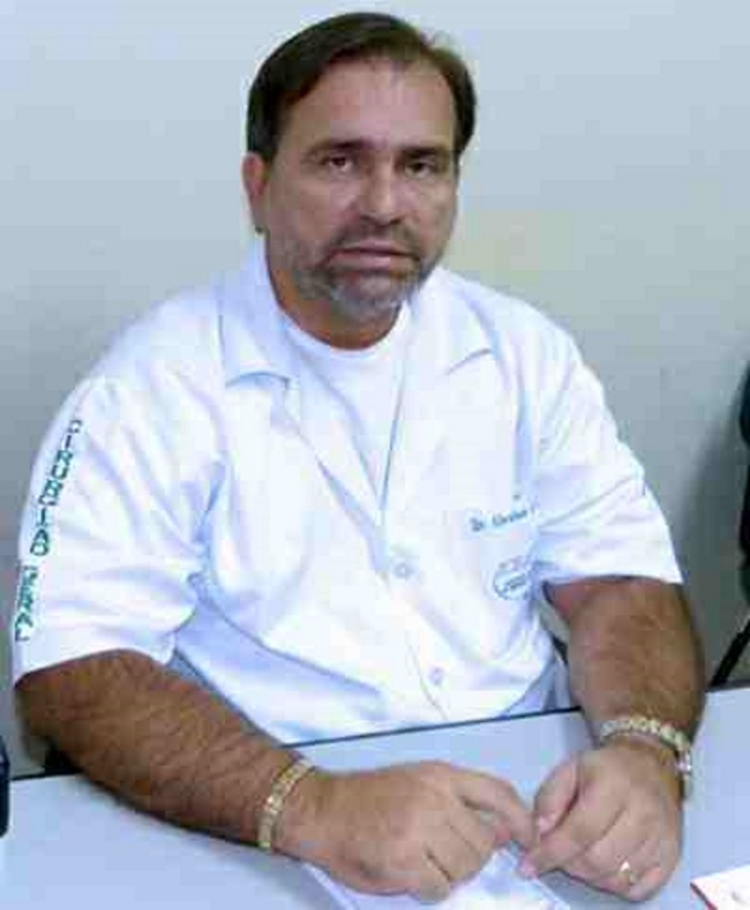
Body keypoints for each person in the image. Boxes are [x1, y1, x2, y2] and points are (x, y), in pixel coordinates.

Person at [13, 11, 704, 904]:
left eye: (422, 165)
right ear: (258, 187)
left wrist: (647, 748)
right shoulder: (148, 390)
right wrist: (313, 806)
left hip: (534, 805)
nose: (384, 203)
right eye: (340, 161)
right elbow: (73, 667)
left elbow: (619, 583)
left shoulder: (524, 355)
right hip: (264, 814)